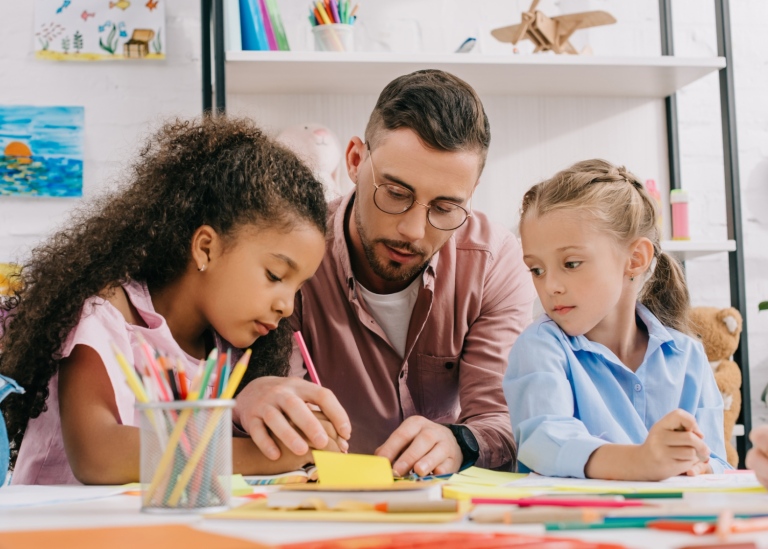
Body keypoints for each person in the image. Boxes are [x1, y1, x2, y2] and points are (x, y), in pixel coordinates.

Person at [0, 116, 349, 485]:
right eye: (275, 276)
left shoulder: (229, 351)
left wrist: (284, 429)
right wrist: (263, 456)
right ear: (206, 248)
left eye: (297, 288)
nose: (287, 306)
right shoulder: (106, 315)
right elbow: (98, 454)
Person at [258, 69, 534, 477]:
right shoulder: (294, 254)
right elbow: (279, 418)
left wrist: (460, 441)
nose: (412, 231)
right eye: (396, 193)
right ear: (355, 160)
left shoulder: (492, 262)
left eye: (444, 208)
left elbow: (501, 421)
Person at [504, 159, 730, 480]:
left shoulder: (688, 357)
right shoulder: (540, 347)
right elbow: (545, 441)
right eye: (537, 269)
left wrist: (699, 466)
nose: (550, 285)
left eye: (571, 263)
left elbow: (717, 462)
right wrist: (641, 462)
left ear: (635, 259)